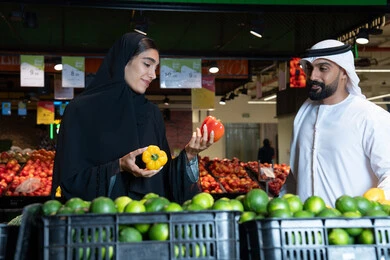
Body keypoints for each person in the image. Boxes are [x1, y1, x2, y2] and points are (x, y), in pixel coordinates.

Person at [51, 32, 215, 204]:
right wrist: (119, 166)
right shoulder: (80, 111)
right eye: (147, 64)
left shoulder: (151, 113)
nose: (153, 74)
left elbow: (164, 177)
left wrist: (189, 154)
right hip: (101, 223)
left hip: (149, 223)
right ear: (124, 61)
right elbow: (69, 181)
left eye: (155, 68)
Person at [284, 39, 390, 206]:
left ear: (344, 72)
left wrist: (372, 214)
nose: (313, 76)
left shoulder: (370, 117)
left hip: (352, 226)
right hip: (304, 226)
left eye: (323, 69)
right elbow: (295, 177)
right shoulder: (304, 114)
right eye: (310, 69)